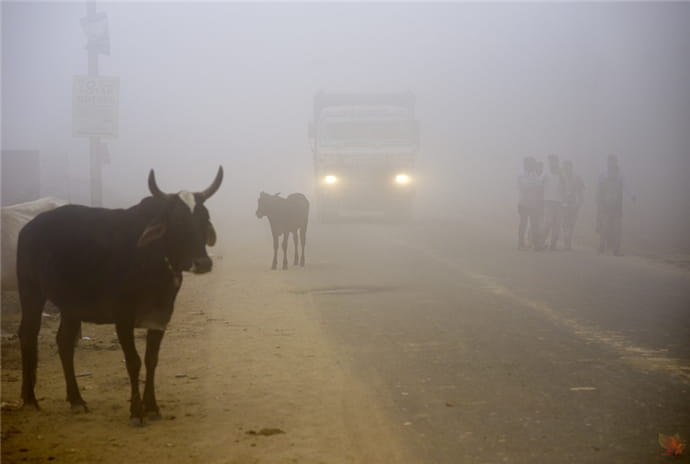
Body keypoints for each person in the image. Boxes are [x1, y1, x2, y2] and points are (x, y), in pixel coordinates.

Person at [597, 155, 626, 255]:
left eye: (613, 161)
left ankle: (616, 249)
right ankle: (601, 246)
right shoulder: (603, 175)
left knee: (617, 228)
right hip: (605, 205)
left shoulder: (620, 176)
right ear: (608, 162)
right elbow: (599, 191)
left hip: (616, 206)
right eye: (610, 161)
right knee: (605, 227)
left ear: (616, 162)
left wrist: (621, 207)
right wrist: (600, 205)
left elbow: (621, 192)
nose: (611, 163)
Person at [541, 154, 565, 251]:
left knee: (557, 223)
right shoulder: (546, 174)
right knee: (548, 221)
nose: (552, 163)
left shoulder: (561, 174)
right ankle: (541, 241)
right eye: (550, 161)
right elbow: (540, 185)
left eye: (554, 161)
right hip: (548, 201)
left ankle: (553, 244)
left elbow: (564, 186)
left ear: (557, 162)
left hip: (559, 201)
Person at [517, 156, 541, 250]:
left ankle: (535, 244)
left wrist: (532, 184)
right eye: (531, 163)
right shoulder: (520, 174)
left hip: (534, 203)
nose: (533, 165)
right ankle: (521, 243)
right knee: (523, 222)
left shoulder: (534, 174)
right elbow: (524, 187)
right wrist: (533, 184)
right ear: (526, 164)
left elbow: (539, 186)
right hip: (523, 202)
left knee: (534, 223)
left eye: (533, 163)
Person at [561, 160, 585, 250]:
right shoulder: (561, 177)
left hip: (574, 204)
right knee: (565, 223)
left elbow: (581, 191)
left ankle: (568, 241)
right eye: (565, 167)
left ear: (571, 167)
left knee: (572, 223)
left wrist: (580, 202)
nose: (567, 169)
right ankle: (566, 240)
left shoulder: (577, 178)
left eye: (568, 166)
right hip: (563, 204)